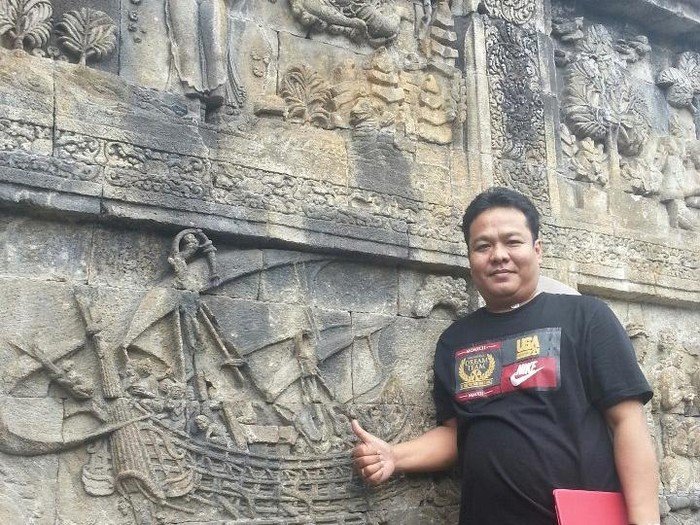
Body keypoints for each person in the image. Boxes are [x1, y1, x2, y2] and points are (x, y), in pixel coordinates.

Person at [352, 187, 660, 524]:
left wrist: (644, 520)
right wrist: (394, 456)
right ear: (470, 259)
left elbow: (627, 421)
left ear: (537, 250)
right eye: (483, 246)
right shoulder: (455, 340)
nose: (498, 255)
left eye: (512, 242)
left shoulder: (586, 317)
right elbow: (457, 435)